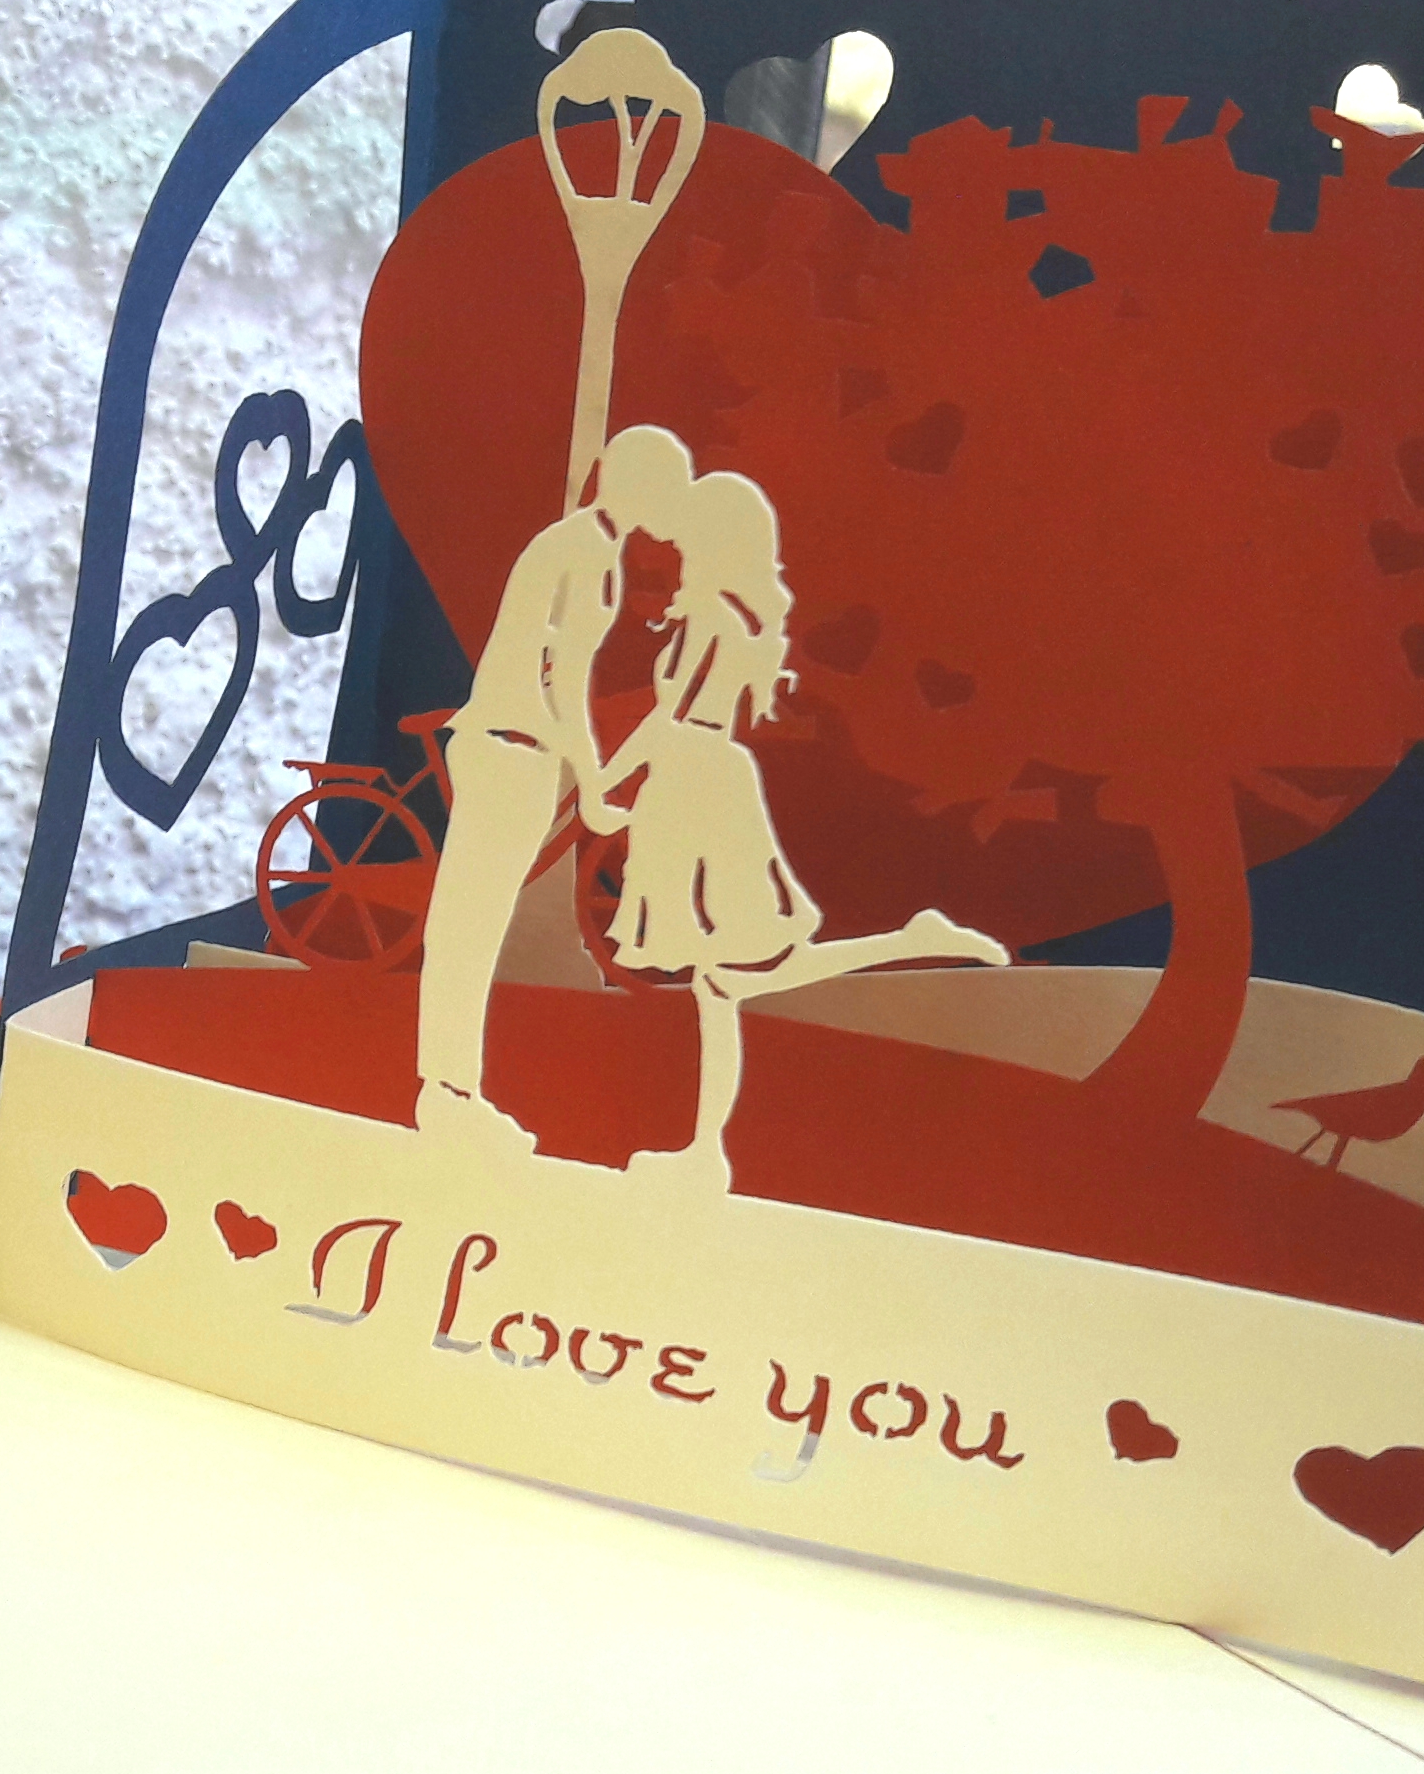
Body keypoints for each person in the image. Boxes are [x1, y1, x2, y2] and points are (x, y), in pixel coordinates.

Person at [584, 458, 1008, 1196]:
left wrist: (601, 780)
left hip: (695, 782)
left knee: (732, 976)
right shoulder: (725, 615)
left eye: (691, 532)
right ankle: (706, 1152)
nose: (677, 542)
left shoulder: (715, 618)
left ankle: (908, 943)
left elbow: (670, 720)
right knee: (724, 983)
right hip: (700, 779)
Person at [410, 426, 690, 1155]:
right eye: (666, 486)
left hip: (517, 750)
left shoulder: (586, 549)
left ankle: (452, 1088)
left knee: (473, 921)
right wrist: (592, 781)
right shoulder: (584, 552)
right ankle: (446, 1092)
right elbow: (563, 678)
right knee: (470, 922)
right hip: (510, 750)